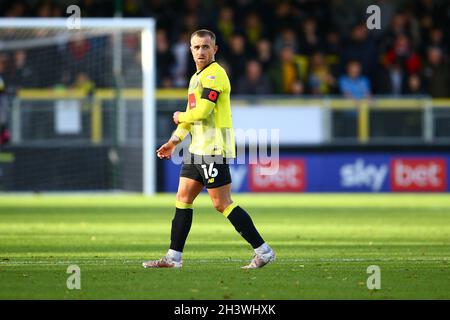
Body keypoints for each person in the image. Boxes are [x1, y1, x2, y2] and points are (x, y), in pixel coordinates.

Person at [142, 29, 275, 269]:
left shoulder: (215, 75)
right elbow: (190, 118)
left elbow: (202, 111)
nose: (201, 51)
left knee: (222, 203)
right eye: (196, 47)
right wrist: (174, 141)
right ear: (190, 50)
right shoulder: (195, 78)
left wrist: (180, 115)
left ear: (215, 49)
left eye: (205, 46)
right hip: (195, 149)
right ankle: (173, 257)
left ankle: (263, 251)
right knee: (183, 198)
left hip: (213, 148)